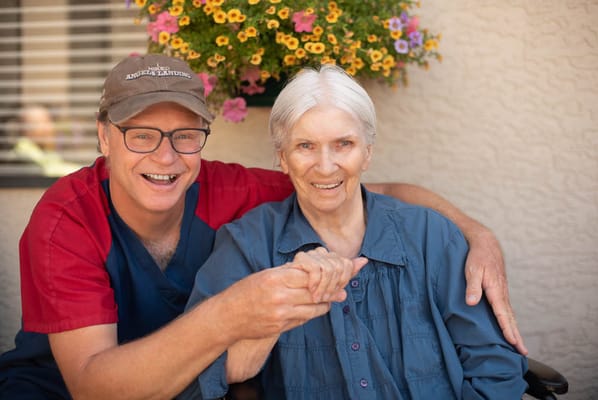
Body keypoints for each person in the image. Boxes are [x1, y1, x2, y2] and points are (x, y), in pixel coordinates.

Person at [0, 54, 524, 400]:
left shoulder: (234, 191)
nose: (166, 155)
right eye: (141, 135)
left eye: (185, 135)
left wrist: (476, 235)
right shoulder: (66, 220)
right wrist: (235, 316)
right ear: (103, 137)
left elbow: (372, 191)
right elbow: (93, 386)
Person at [182, 65, 528, 399]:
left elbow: (494, 366)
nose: (326, 165)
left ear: (368, 153)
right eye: (305, 146)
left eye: (343, 144)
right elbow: (193, 371)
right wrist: (278, 302)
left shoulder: (430, 235)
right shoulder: (247, 244)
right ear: (282, 158)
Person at [11, 105, 83, 177]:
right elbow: (50, 172)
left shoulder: (42, 152)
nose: (51, 127)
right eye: (47, 122)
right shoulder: (25, 156)